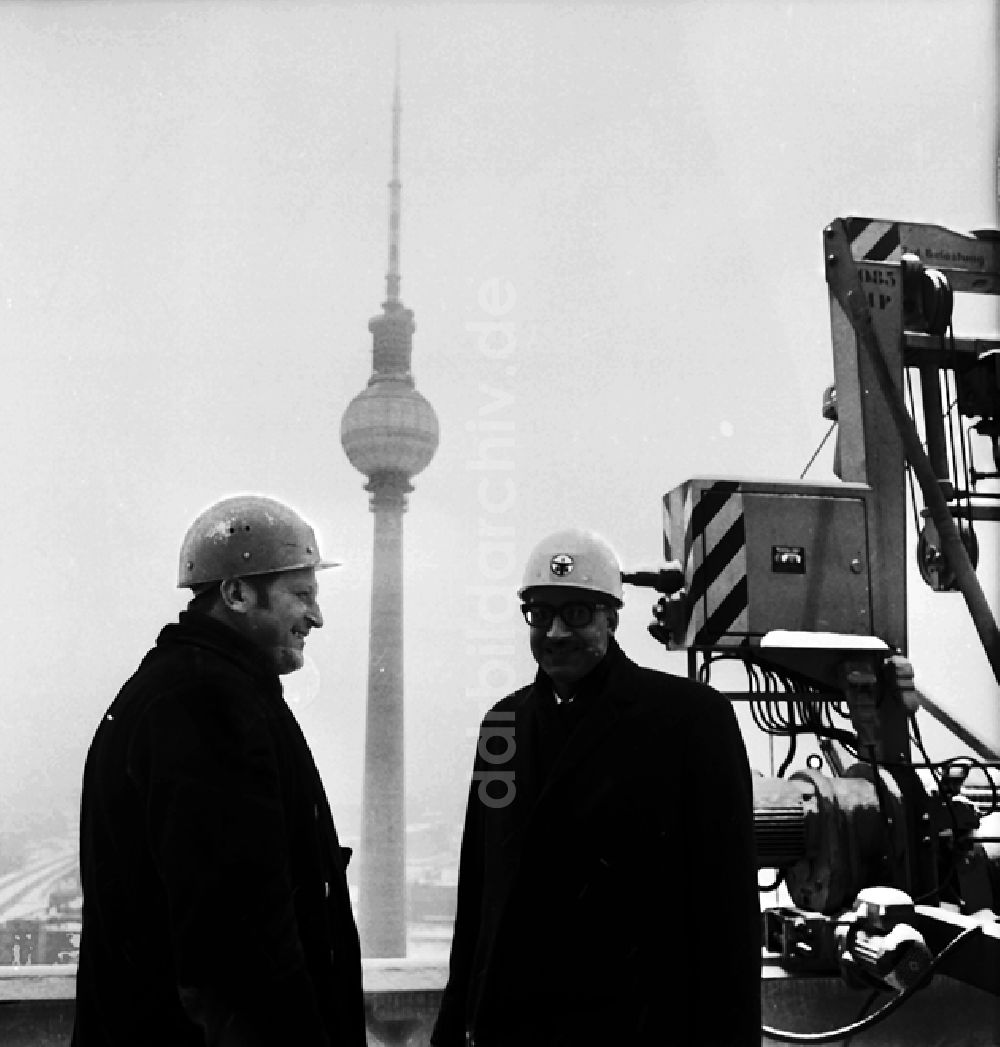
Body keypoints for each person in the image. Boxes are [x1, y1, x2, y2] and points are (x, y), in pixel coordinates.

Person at [432, 528, 761, 1047]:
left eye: (578, 614)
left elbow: (728, 911)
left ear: (612, 616)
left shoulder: (691, 720)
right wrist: (454, 1025)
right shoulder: (502, 728)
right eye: (541, 614)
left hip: (636, 1024)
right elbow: (481, 888)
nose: (557, 632)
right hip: (516, 1024)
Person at [72, 495, 367, 1047]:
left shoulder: (188, 689)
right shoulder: (207, 704)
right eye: (301, 595)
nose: (317, 617)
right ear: (236, 592)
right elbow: (236, 950)